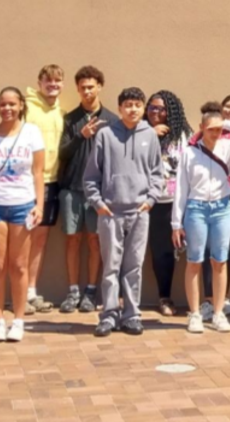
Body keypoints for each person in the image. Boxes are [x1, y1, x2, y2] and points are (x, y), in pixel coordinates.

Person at [83, 87, 166, 337]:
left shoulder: (150, 136)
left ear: (143, 109)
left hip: (139, 211)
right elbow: (90, 177)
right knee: (110, 265)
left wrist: (150, 200)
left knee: (134, 266)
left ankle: (131, 315)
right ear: (119, 108)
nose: (133, 109)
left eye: (137, 105)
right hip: (110, 212)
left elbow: (157, 174)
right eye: (128, 105)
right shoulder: (105, 135)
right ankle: (109, 315)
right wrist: (99, 204)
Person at [175, 103, 230, 334]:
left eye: (217, 129)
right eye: (210, 128)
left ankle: (218, 312)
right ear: (201, 128)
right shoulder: (190, 153)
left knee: (220, 260)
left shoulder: (229, 147)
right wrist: (176, 223)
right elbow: (181, 190)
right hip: (196, 208)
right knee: (194, 260)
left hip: (223, 206)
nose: (214, 133)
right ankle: (194, 314)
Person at [0, 87, 48, 342]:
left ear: (20, 106)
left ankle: (18, 320)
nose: (7, 109)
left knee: (18, 265)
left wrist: (39, 205)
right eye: (3, 104)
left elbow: (39, 173)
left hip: (22, 205)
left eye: (12, 104)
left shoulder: (32, 133)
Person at [56, 66, 118, 316]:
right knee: (73, 239)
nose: (87, 91)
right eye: (82, 87)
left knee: (95, 241)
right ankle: (73, 291)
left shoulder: (112, 120)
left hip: (100, 193)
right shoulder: (70, 119)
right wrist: (81, 136)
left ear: (100, 87)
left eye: (91, 86)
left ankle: (91, 291)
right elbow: (61, 154)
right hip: (72, 188)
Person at [22, 65, 66, 316]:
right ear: (39, 82)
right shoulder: (27, 107)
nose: (53, 85)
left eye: (57, 81)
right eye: (48, 81)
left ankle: (31, 292)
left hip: (52, 182)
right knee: (22, 239)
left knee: (40, 240)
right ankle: (18, 293)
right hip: (26, 182)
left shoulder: (61, 112)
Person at [146, 91, 192, 317]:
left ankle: (197, 299)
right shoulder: (139, 132)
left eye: (161, 109)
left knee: (177, 251)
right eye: (152, 108)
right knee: (158, 252)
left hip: (177, 200)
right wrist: (149, 135)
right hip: (151, 201)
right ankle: (162, 297)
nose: (156, 113)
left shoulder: (184, 135)